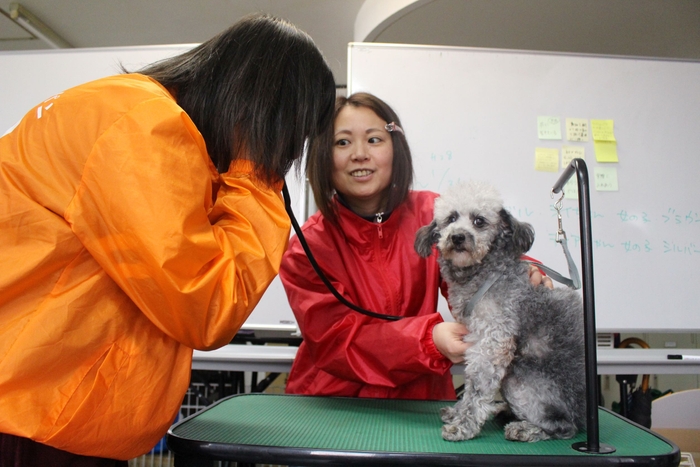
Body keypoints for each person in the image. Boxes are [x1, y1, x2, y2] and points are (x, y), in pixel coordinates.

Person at [0, 14, 335, 465]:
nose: (290, 153)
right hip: (30, 416)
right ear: (270, 111)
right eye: (292, 135)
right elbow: (208, 303)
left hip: (32, 403)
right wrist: (257, 176)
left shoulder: (126, 109)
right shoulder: (144, 128)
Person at [279, 92, 551, 400]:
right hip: (334, 404)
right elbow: (337, 341)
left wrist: (525, 271)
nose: (359, 154)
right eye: (342, 142)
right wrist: (427, 341)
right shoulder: (307, 248)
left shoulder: (431, 215)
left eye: (374, 139)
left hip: (420, 402)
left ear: (396, 147)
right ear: (322, 157)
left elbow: (483, 267)